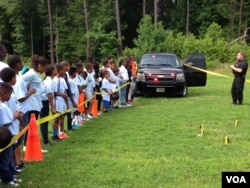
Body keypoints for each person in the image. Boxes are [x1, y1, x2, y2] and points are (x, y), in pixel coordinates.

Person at [21, 55, 49, 150]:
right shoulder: (31, 73)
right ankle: (27, 145)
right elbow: (20, 81)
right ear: (39, 65)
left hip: (37, 103)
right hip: (31, 104)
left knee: (33, 126)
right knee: (31, 126)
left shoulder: (36, 74)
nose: (44, 71)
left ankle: (33, 145)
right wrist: (28, 90)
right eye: (44, 68)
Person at [0, 82, 22, 186]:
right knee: (6, 159)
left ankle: (9, 177)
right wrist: (15, 115)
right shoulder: (2, 107)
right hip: (5, 137)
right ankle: (7, 179)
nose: (10, 96)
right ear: (3, 93)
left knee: (6, 159)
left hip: (4, 136)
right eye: (9, 93)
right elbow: (7, 122)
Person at [40, 65, 57, 146]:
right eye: (55, 69)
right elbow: (50, 96)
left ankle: (45, 140)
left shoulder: (49, 80)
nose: (56, 70)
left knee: (44, 122)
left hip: (44, 102)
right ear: (52, 72)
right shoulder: (49, 81)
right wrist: (53, 108)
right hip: (44, 103)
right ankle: (46, 141)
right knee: (44, 122)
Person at [52, 64, 69, 140]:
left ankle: (62, 132)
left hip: (63, 101)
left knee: (62, 118)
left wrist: (67, 102)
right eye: (63, 70)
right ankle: (55, 135)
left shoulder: (62, 79)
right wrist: (62, 95)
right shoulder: (56, 80)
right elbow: (54, 92)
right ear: (59, 70)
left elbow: (65, 91)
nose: (64, 71)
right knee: (56, 119)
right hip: (58, 101)